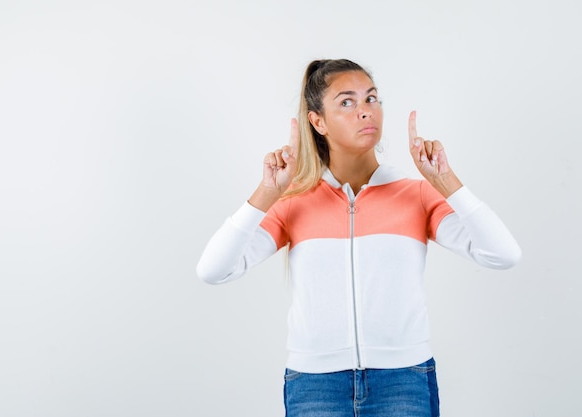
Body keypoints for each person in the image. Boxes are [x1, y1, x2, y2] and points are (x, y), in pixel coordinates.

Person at [196, 59, 521, 417]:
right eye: (347, 102)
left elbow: (503, 255)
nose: (366, 112)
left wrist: (446, 182)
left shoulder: (416, 195)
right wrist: (266, 193)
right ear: (317, 121)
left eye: (371, 99)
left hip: (404, 379)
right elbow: (214, 270)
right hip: (314, 384)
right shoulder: (293, 202)